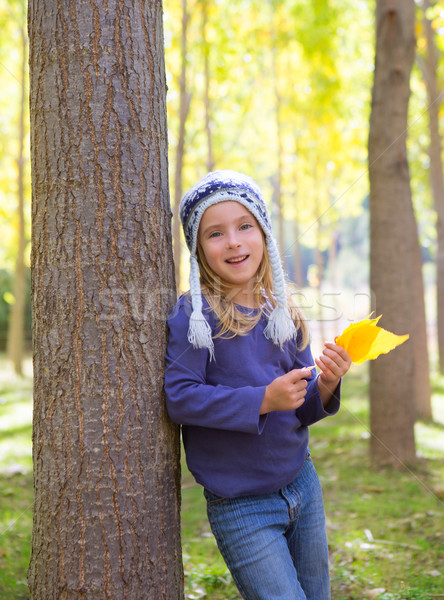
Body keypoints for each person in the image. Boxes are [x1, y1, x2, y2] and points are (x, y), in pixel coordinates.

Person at [165, 170, 352, 600]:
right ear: (198, 250)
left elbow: (303, 406)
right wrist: (263, 399)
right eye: (216, 233)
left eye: (244, 226)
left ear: (264, 234)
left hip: (301, 483)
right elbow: (180, 397)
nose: (233, 241)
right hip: (241, 505)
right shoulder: (195, 316)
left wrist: (327, 381)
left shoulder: (281, 311)